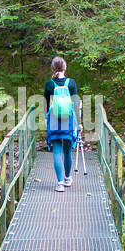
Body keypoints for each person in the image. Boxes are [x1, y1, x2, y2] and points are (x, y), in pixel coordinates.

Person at [44, 55, 79, 192]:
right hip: (68, 119)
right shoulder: (71, 83)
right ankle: (68, 178)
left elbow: (46, 104)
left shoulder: (49, 84)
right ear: (65, 67)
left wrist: (46, 120)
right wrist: (79, 123)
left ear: (53, 68)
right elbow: (75, 104)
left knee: (57, 151)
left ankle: (59, 183)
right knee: (67, 150)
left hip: (54, 119)